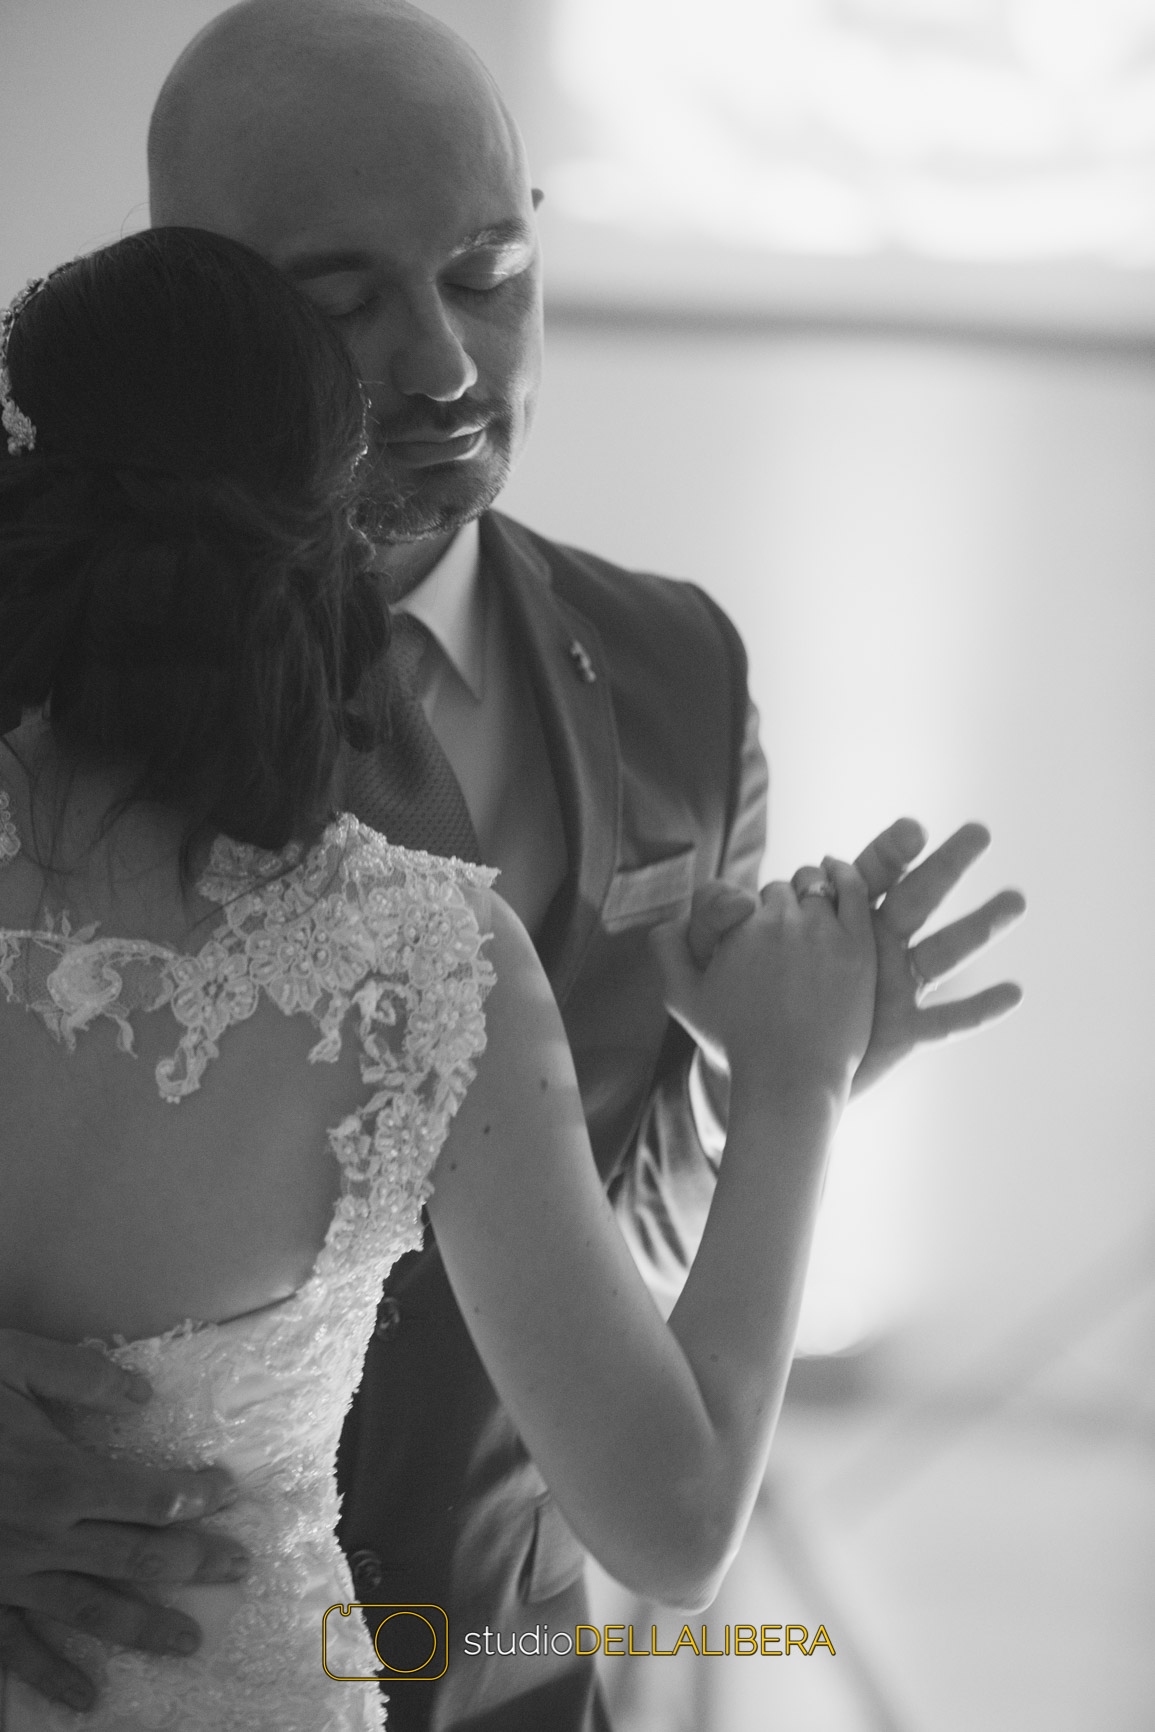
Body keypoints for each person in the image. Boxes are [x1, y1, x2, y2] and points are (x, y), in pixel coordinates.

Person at [0, 5, 1026, 1729]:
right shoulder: (39, 670)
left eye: (489, 271)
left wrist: (760, 1086)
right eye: (343, 305)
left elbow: (600, 1196)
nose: (451, 366)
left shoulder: (681, 674)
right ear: (209, 304)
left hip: (506, 1655)